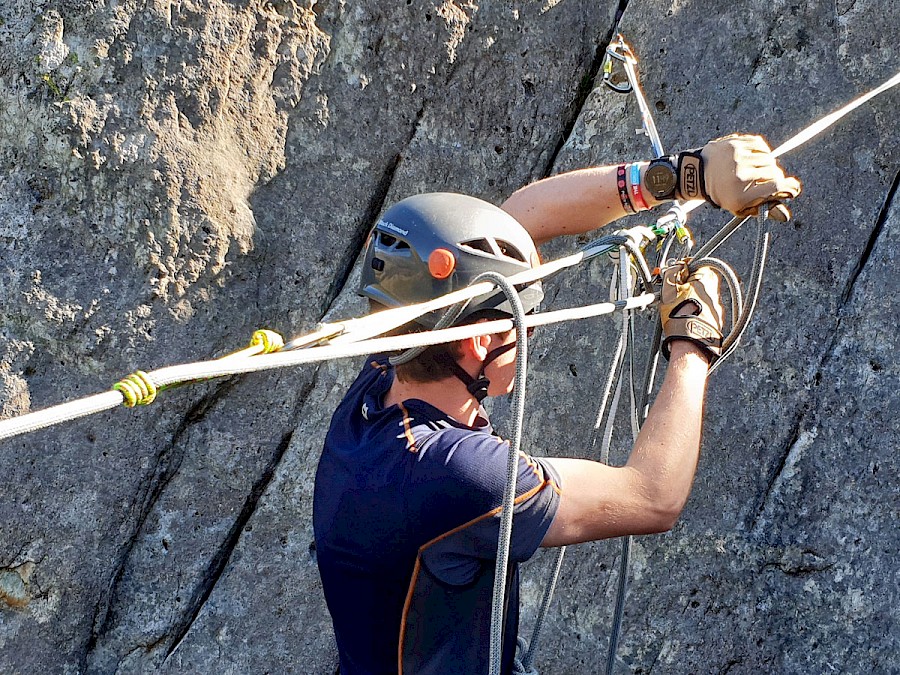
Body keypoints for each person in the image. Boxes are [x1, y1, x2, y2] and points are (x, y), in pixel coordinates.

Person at [313, 135, 801, 674]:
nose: (527, 336)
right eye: (517, 322)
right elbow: (653, 497)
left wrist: (679, 177)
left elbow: (517, 222)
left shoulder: (378, 388)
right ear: (480, 340)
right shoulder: (454, 475)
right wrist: (692, 343)